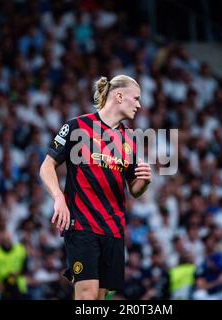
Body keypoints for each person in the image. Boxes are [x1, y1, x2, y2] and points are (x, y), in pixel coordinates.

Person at [39, 75, 152, 300]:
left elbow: (134, 190)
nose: (139, 105)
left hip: (114, 229)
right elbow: (46, 166)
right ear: (119, 96)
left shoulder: (129, 139)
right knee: (86, 297)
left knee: (100, 300)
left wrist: (144, 181)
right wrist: (58, 197)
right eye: (136, 98)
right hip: (82, 225)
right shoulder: (77, 126)